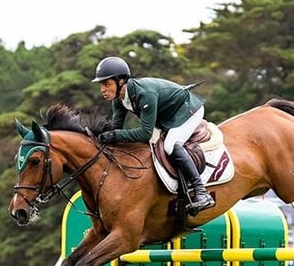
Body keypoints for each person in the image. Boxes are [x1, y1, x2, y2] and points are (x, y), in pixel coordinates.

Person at [91, 56, 214, 214]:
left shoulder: (144, 94)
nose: (102, 89)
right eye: (101, 85)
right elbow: (116, 128)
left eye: (106, 84)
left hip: (187, 111)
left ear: (121, 81)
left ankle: (201, 192)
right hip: (166, 117)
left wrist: (114, 135)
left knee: (170, 146)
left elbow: (145, 133)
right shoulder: (118, 100)